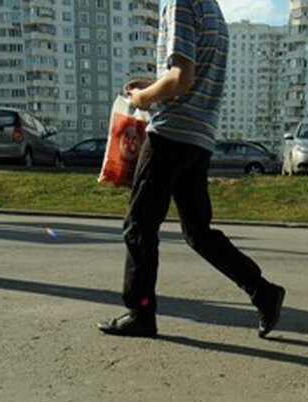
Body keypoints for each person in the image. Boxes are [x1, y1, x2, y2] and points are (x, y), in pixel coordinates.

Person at [98, 0, 285, 338]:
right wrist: (153, 85)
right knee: (198, 232)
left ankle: (140, 313)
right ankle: (263, 291)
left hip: (171, 133)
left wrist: (142, 99)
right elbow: (188, 77)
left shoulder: (180, 2)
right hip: (199, 138)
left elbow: (181, 79)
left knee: (139, 225)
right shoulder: (211, 8)